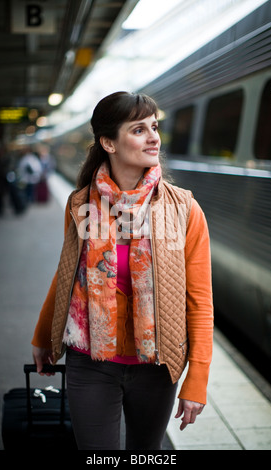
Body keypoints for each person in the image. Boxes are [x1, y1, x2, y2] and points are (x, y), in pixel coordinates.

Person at [32, 91, 213, 450]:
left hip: (158, 365)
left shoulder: (184, 210)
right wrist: (42, 336)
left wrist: (197, 380)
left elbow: (200, 300)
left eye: (154, 127)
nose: (154, 137)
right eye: (139, 129)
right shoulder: (81, 203)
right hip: (91, 361)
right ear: (108, 143)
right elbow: (67, 274)